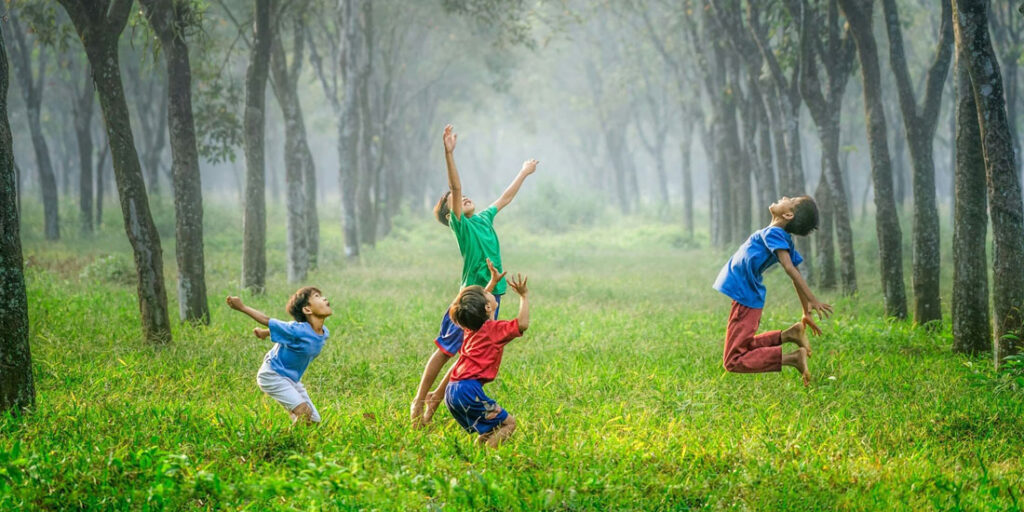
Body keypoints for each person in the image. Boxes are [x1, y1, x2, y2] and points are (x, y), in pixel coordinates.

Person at [410, 124, 538, 426]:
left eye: (464, 196)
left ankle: (436, 400)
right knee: (445, 350)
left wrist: (523, 172)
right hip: (470, 298)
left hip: (492, 295)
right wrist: (449, 153)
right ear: (449, 214)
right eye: (454, 200)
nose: (463, 197)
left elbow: (505, 198)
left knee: (472, 351)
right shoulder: (462, 227)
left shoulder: (482, 218)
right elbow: (455, 187)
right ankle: (420, 400)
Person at [712, 196, 832, 386]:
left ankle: (793, 359)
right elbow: (795, 271)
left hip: (746, 297)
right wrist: (805, 310)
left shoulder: (775, 233)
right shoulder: (778, 235)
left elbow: (790, 268)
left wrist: (812, 299)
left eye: (790, 200)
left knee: (733, 360)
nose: (784, 197)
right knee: (743, 346)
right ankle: (789, 335)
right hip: (746, 296)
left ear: (788, 214)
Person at [443, 272, 530, 447]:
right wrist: (524, 296)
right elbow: (522, 324)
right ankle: (488, 458)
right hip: (469, 392)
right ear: (488, 308)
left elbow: (474, 306)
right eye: (486, 292)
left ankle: (477, 453)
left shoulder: (470, 328)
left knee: (491, 428)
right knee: (509, 423)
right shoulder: (494, 330)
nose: (488, 291)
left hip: (452, 390)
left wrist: (492, 282)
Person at [226, 287, 332, 423]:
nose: (324, 298)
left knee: (314, 421)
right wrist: (242, 307)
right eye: (317, 296)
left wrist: (264, 333)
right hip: (272, 374)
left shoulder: (324, 333)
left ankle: (295, 423)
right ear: (307, 310)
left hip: (292, 379)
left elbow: (285, 332)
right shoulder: (297, 330)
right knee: (304, 413)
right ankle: (286, 441)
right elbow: (267, 320)